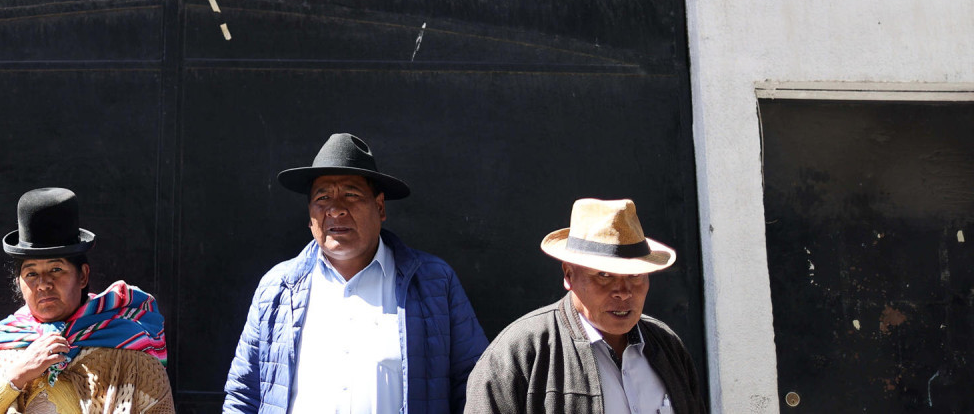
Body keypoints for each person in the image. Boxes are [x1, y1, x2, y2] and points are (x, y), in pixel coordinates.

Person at [224, 132, 488, 414]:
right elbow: (245, 395)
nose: (336, 210)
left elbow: (475, 386)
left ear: (380, 207)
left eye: (351, 195)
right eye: (323, 197)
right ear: (310, 215)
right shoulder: (277, 287)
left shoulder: (434, 283)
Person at [0, 187, 174, 414]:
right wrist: (15, 376)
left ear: (82, 276)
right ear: (19, 283)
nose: (43, 284)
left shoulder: (129, 355)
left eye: (56, 269)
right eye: (31, 273)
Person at [464, 198, 706, 414]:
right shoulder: (519, 353)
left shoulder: (667, 347)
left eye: (635, 275)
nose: (623, 292)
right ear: (569, 275)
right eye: (604, 275)